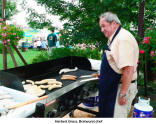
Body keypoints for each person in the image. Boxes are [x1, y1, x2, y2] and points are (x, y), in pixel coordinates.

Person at [98, 12, 139, 117]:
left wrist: (123, 93)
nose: (102, 30)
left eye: (103, 26)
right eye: (100, 27)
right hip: (113, 87)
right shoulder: (115, 38)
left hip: (120, 88)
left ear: (114, 23)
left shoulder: (123, 38)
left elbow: (128, 69)